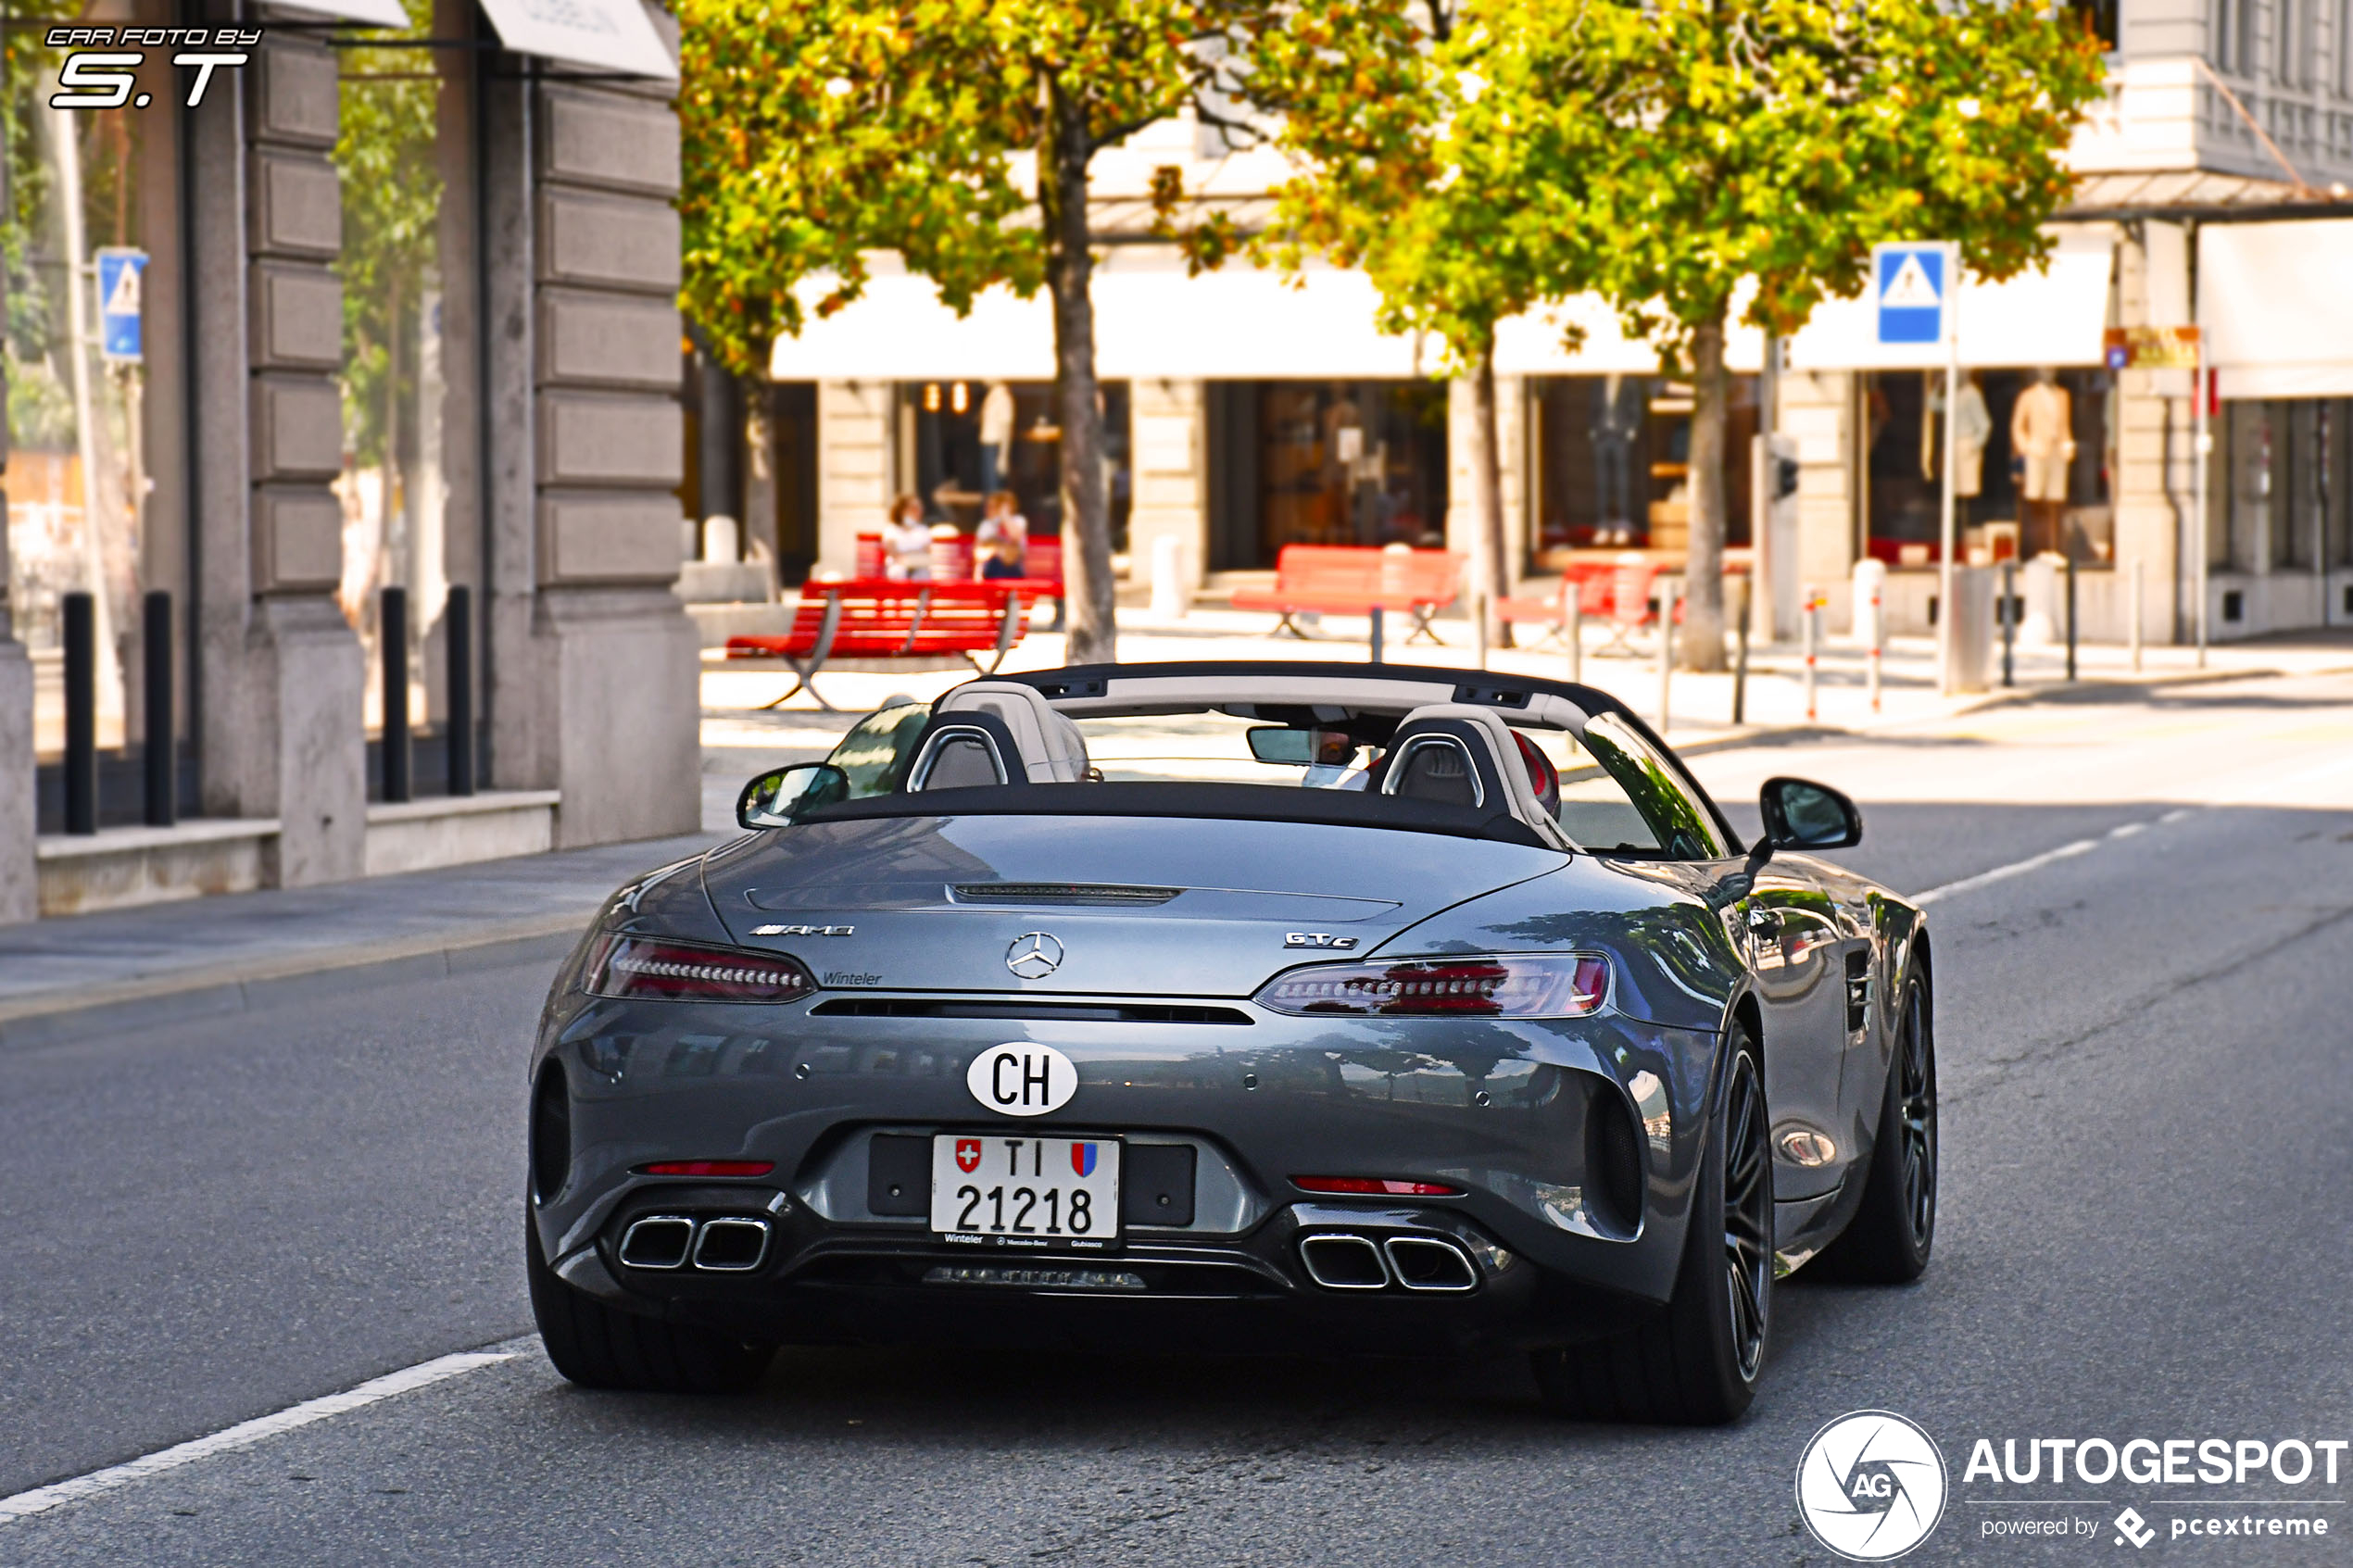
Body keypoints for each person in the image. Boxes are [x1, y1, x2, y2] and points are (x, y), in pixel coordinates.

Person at [976, 490, 1028, 581]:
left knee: (1010, 563)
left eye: (994, 507)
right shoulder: (986, 525)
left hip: (1014, 569)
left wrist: (1005, 516)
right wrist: (996, 550)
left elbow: (1015, 537)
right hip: (992, 570)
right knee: (996, 563)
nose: (988, 510)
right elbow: (978, 554)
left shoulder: (1018, 521)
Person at [882, 494, 932, 581]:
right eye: (914, 508)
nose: (919, 511)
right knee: (898, 572)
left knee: (923, 574)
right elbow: (893, 552)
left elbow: (927, 551)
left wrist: (909, 557)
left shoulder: (923, 530)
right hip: (898, 570)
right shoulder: (892, 530)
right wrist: (912, 556)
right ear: (903, 510)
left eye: (920, 508)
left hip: (920, 569)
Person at [978, 382, 1015, 495]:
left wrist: (1003, 455)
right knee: (988, 487)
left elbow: (1006, 428)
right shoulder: (991, 396)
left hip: (995, 446)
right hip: (988, 446)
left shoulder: (1003, 398)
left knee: (993, 488)